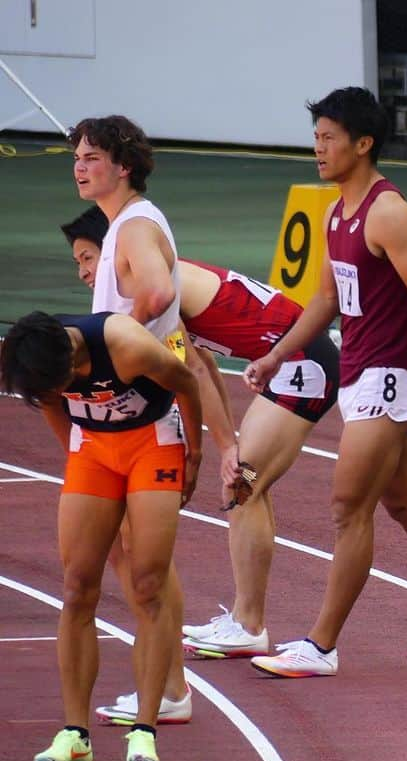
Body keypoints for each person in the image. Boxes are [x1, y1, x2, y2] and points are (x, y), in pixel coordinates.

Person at [243, 86, 407, 677]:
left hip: (390, 374)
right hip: (358, 372)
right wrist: (279, 355)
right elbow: (328, 298)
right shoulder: (335, 213)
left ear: (363, 144)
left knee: (346, 507)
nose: (319, 149)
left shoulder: (389, 213)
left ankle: (321, 645)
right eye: (316, 138)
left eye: (330, 138)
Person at [61, 206, 341, 692]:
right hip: (292, 362)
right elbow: (204, 365)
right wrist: (225, 440)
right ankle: (246, 621)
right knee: (246, 483)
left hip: (303, 363)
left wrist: (225, 446)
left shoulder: (149, 286)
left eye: (89, 258)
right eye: (78, 263)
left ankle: (249, 626)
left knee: (244, 482)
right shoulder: (155, 279)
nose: (86, 271)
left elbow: (188, 367)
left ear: (113, 253)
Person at [67, 116, 235, 727]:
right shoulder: (125, 225)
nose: (80, 166)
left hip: (140, 417)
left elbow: (161, 294)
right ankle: (171, 687)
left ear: (124, 164)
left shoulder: (135, 224)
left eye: (92, 156)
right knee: (140, 564)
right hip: (133, 413)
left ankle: (168, 692)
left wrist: (119, 343)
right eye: (76, 157)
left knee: (141, 566)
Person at [1, 310, 202, 761]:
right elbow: (51, 402)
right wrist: (75, 455)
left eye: (61, 382)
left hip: (153, 442)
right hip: (94, 448)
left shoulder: (127, 346)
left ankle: (145, 732)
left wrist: (197, 455)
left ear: (72, 355)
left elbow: (188, 382)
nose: (59, 391)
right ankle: (75, 735)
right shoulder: (29, 357)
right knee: (76, 588)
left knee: (148, 584)